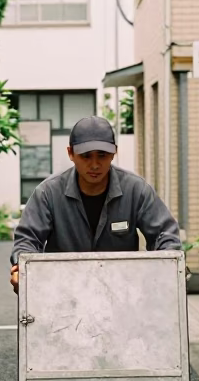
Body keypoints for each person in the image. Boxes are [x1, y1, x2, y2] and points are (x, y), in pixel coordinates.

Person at [10, 115, 181, 292]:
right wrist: (23, 266)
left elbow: (165, 234)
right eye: (85, 156)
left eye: (102, 155)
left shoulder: (136, 190)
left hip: (123, 294)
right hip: (63, 293)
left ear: (114, 152)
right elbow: (27, 240)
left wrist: (169, 262)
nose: (94, 164)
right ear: (71, 153)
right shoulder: (48, 193)